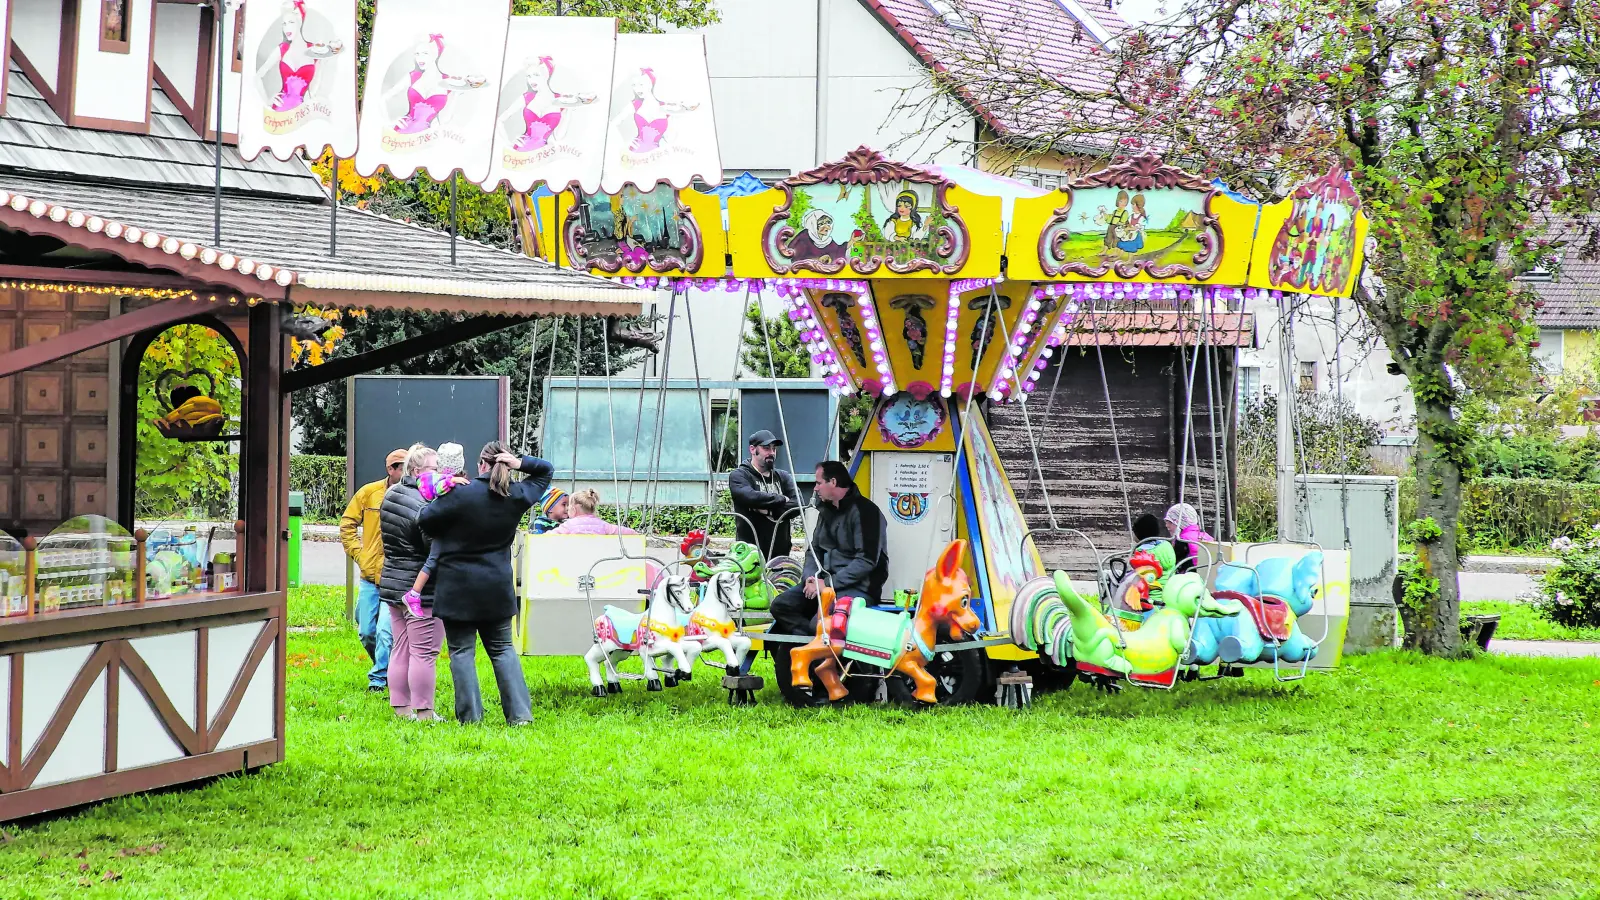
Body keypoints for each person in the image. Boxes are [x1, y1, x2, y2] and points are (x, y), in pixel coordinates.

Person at [418, 442, 553, 725]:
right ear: (505, 464)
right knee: (503, 650)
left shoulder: (460, 493)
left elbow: (425, 519)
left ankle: (471, 718)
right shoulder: (515, 494)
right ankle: (520, 716)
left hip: (457, 586)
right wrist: (520, 464)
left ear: (481, 463)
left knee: (462, 652)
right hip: (495, 585)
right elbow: (545, 472)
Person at [378, 444, 455, 722]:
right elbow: (430, 547)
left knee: (400, 647)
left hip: (393, 582)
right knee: (424, 652)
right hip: (420, 588)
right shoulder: (424, 504)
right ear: (417, 470)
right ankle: (424, 711)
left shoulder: (392, 493)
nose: (440, 475)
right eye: (435, 469)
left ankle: (401, 708)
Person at [769, 461, 888, 638]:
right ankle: (809, 644)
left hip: (858, 588)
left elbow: (866, 561)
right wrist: (810, 578)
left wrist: (828, 583)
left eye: (818, 483)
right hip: (823, 584)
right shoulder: (825, 511)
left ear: (833, 482)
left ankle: (815, 646)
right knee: (781, 606)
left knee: (818, 623)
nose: (815, 488)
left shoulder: (866, 512)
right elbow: (813, 550)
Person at [340, 449, 404, 692]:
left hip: (394, 577)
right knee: (366, 630)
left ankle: (378, 680)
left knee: (386, 631)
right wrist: (359, 554)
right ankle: (387, 666)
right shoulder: (369, 493)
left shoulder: (412, 494)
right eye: (403, 468)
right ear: (391, 469)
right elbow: (347, 524)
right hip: (369, 576)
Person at [728, 430, 802, 561]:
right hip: (749, 554)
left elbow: (799, 503)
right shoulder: (740, 475)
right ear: (752, 449)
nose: (771, 453)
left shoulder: (783, 476)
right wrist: (781, 499)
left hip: (780, 553)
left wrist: (770, 511)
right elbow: (748, 496)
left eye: (774, 449)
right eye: (766, 448)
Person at [548, 489, 637, 535]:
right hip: (597, 561)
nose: (567, 509)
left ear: (574, 509)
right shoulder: (603, 525)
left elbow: (551, 535)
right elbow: (622, 531)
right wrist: (636, 534)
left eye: (569, 506)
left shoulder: (569, 525)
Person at [1164, 502, 1215, 573]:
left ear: (1180, 522)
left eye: (1170, 522)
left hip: (1190, 578)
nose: (1167, 525)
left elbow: (1175, 566)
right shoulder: (1206, 536)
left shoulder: (1182, 540)